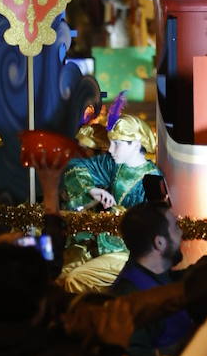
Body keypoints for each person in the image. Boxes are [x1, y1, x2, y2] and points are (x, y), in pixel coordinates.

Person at [61, 113, 160, 268]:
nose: (110, 149)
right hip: (102, 241)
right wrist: (92, 189)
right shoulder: (114, 165)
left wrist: (119, 215)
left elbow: (150, 229)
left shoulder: (152, 179)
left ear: (135, 144)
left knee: (75, 277)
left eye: (117, 144)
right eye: (110, 143)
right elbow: (76, 166)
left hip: (128, 252)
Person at [108, 202, 191, 356]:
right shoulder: (130, 299)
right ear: (159, 243)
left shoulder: (161, 276)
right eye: (175, 228)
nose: (181, 232)